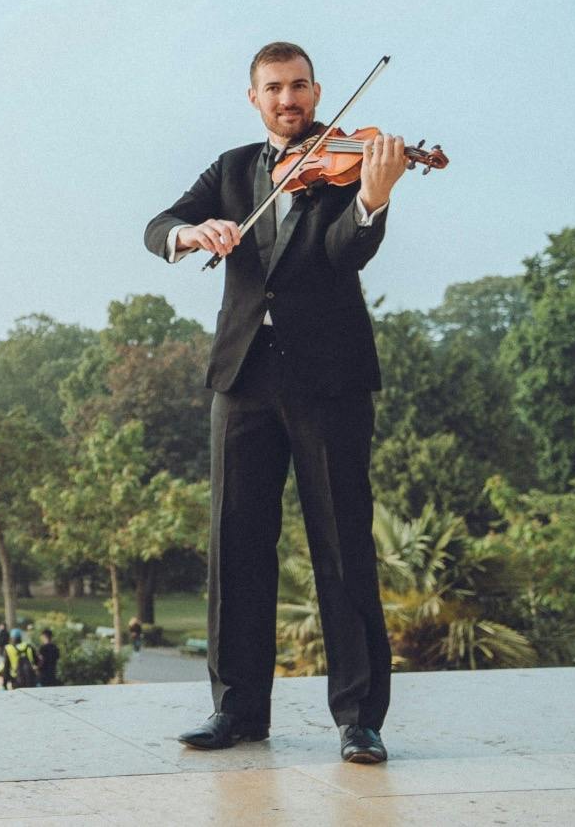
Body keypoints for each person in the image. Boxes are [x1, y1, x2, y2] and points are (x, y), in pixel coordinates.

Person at [147, 42, 405, 766]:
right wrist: (187, 233)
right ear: (253, 96)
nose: (287, 99)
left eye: (298, 87)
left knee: (343, 545)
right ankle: (237, 710)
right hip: (243, 378)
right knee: (237, 545)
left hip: (329, 380)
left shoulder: (345, 162)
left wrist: (372, 199)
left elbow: (339, 253)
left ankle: (359, 719)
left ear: (317, 91)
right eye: (273, 88)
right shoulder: (231, 170)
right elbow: (158, 223)